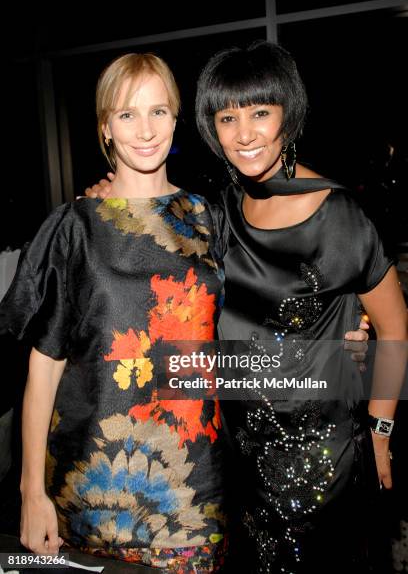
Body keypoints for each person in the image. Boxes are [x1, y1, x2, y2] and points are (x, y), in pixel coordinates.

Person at [87, 41, 408, 574]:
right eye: (227, 117)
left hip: (320, 458)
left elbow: (395, 328)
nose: (244, 133)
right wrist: (109, 193)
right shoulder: (225, 208)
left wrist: (381, 430)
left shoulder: (339, 217)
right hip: (241, 454)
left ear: (289, 112)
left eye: (261, 112)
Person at [0, 53, 229, 573]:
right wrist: (30, 491)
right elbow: (44, 365)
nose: (145, 130)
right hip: (86, 489)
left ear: (176, 119)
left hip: (193, 491)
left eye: (158, 112)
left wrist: (346, 327)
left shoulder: (208, 220)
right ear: (105, 126)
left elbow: (254, 318)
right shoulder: (75, 226)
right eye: (127, 114)